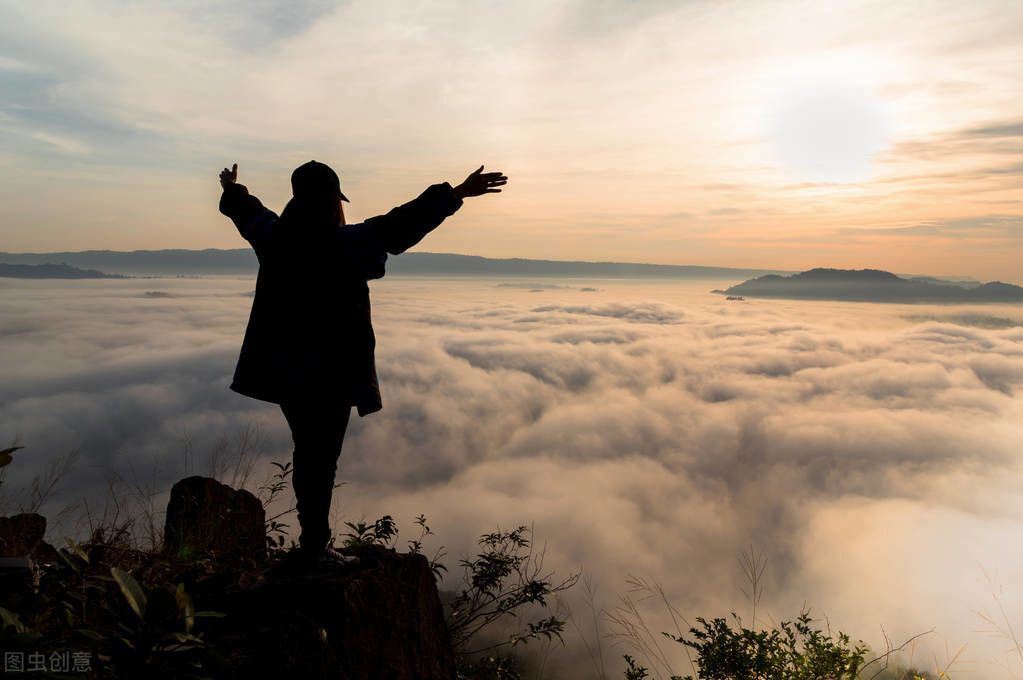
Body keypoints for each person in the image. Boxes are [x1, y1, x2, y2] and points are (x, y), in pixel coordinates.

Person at [218, 160, 507, 570]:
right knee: (320, 458)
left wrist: (232, 188)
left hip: (285, 371)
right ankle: (315, 550)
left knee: (309, 451)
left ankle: (313, 543)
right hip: (332, 375)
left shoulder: (275, 239)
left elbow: (249, 214)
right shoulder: (348, 243)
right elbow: (399, 224)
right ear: (333, 201)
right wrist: (456, 192)